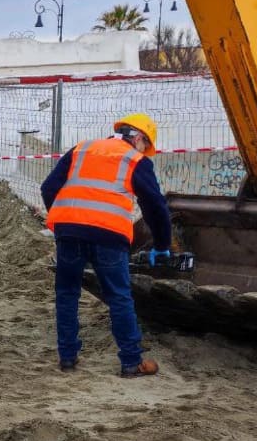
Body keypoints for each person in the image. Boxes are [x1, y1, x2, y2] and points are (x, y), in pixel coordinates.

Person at [40, 113, 172, 378]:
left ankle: (67, 357)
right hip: (109, 237)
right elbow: (155, 207)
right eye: (146, 146)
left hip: (69, 233)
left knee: (67, 294)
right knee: (119, 297)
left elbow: (48, 187)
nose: (145, 152)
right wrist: (161, 244)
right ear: (138, 138)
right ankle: (131, 362)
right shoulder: (135, 160)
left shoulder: (82, 148)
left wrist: (65, 220)